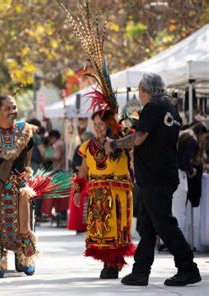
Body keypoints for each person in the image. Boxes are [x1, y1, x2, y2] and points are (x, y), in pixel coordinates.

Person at [106, 72, 201, 286]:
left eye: (139, 90)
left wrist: (113, 144)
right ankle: (140, 271)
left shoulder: (152, 108)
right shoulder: (171, 109)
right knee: (147, 226)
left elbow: (139, 138)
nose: (139, 94)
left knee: (164, 225)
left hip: (155, 177)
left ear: (146, 91)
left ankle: (188, 268)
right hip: (161, 175)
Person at [0, 95, 38, 278]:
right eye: (8, 108)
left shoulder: (24, 131)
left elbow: (27, 159)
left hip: (19, 184)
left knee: (24, 227)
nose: (12, 111)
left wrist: (19, 175)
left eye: (14, 107)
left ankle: (27, 258)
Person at [74, 111, 134, 279]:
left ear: (109, 124)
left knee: (117, 228)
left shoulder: (121, 142)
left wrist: (118, 134)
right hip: (97, 193)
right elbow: (84, 169)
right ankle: (107, 262)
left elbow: (134, 141)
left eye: (102, 124)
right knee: (101, 230)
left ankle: (114, 263)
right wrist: (78, 190)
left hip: (117, 192)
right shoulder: (87, 146)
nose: (98, 128)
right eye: (96, 124)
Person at [68, 131, 94, 234]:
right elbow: (76, 165)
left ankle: (86, 226)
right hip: (81, 178)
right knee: (80, 205)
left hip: (87, 178)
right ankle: (80, 226)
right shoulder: (80, 148)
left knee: (85, 204)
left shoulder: (91, 148)